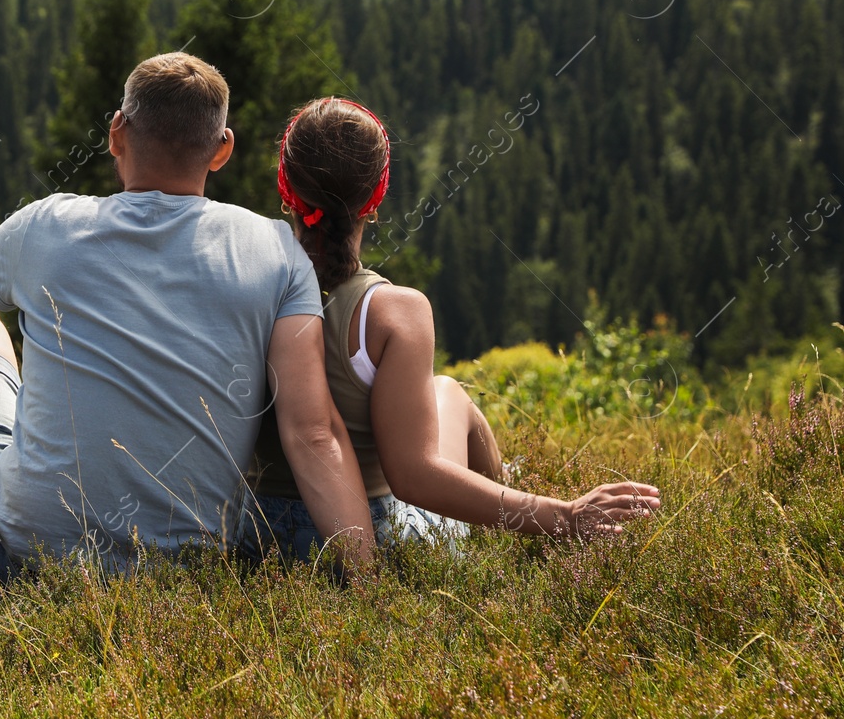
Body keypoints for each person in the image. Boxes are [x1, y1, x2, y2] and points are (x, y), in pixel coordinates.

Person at [0, 53, 375, 589]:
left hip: (15, 563)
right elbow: (313, 433)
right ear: (221, 150)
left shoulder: (46, 223)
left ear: (116, 132)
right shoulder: (277, 252)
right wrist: (366, 582)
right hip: (185, 580)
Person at [248, 97, 661, 561]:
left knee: (445, 389)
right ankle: (520, 528)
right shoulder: (392, 311)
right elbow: (414, 478)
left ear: (286, 187)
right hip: (369, 536)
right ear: (376, 196)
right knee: (451, 393)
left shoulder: (246, 283)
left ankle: (508, 502)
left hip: (252, 532)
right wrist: (564, 515)